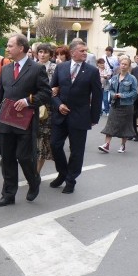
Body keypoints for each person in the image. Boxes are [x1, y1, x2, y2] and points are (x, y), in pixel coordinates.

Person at [0, 35, 51, 207]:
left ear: (21, 48)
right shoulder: (6, 69)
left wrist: (28, 101)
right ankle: (8, 194)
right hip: (6, 119)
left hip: (26, 120)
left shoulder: (37, 68)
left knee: (23, 157)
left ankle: (34, 181)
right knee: (7, 158)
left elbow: (45, 93)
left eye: (10, 46)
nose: (7, 49)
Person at [49, 40, 102, 194]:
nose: (85, 53)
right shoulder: (61, 67)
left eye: (86, 50)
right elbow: (52, 90)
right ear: (73, 53)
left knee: (76, 150)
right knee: (55, 145)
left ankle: (71, 179)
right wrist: (58, 104)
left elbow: (97, 96)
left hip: (80, 115)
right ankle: (63, 172)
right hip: (61, 114)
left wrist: (94, 117)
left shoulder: (92, 71)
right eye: (82, 50)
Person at [98, 57, 138, 154]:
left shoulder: (132, 78)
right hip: (115, 104)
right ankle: (106, 145)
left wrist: (123, 95)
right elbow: (110, 88)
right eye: (121, 64)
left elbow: (134, 91)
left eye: (125, 64)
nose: (123, 66)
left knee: (125, 126)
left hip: (126, 105)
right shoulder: (115, 77)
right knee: (110, 124)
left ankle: (123, 145)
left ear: (129, 66)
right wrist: (113, 94)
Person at [35, 43, 57, 173]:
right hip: (31, 106)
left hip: (48, 109)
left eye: (45, 52)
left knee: (42, 139)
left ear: (50, 55)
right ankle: (31, 170)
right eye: (40, 52)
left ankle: (36, 172)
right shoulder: (31, 66)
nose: (42, 55)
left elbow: (60, 85)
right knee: (30, 140)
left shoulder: (55, 68)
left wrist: (57, 88)